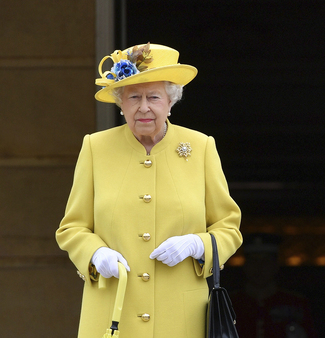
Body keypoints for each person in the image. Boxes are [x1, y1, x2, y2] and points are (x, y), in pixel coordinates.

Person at [56, 43, 242, 338]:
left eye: (154, 97)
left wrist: (197, 245)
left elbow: (228, 227)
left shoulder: (201, 147)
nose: (144, 107)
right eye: (134, 97)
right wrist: (94, 253)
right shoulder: (95, 147)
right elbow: (72, 228)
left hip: (182, 319)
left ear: (171, 101)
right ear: (121, 103)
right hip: (112, 313)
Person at [230, 233, 318, 338]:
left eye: (265, 261)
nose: (259, 268)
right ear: (245, 266)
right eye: (253, 261)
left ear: (275, 265)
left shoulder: (296, 303)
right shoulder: (230, 303)